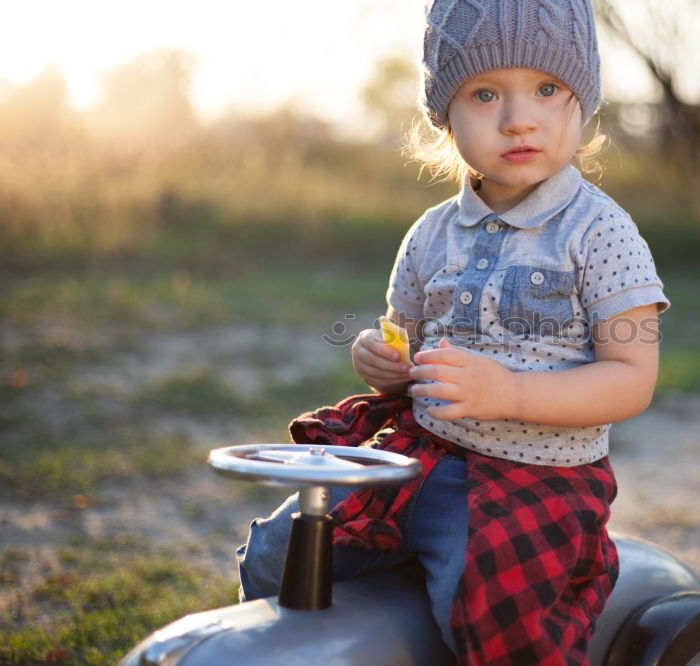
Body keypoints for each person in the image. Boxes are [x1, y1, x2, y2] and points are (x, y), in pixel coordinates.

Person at [236, 0, 669, 663]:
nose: (518, 117)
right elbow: (401, 337)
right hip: (419, 452)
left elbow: (632, 379)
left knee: (495, 616)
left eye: (547, 89)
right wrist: (379, 359)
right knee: (281, 550)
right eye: (484, 92)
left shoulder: (600, 232)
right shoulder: (431, 233)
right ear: (444, 115)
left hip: (537, 474)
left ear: (583, 100)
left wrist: (512, 395)